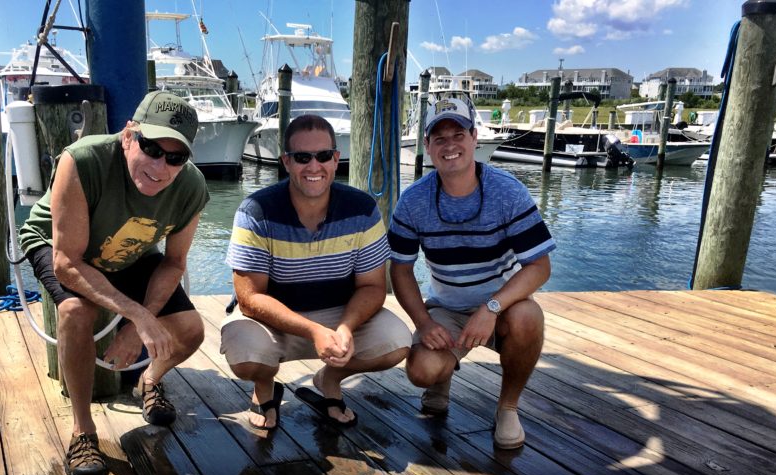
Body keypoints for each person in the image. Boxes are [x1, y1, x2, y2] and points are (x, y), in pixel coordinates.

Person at [18, 91, 209, 475]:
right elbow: (67, 264)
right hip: (64, 247)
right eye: (151, 148)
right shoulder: (82, 160)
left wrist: (134, 326)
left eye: (175, 157)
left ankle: (149, 381)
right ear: (128, 136)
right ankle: (83, 430)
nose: (160, 166)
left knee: (191, 331)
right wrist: (137, 316)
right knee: (75, 311)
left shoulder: (191, 188)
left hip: (131, 251)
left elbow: (174, 262)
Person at [221, 114, 411, 430]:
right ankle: (264, 386)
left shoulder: (362, 209)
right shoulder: (255, 211)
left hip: (339, 315)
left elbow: (374, 287)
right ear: (286, 161)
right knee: (245, 354)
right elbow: (249, 298)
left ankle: (329, 379)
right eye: (302, 157)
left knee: (396, 342)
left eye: (323, 155)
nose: (314, 166)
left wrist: (346, 328)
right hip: (274, 319)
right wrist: (313, 331)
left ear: (336, 160)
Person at [389, 97, 554, 449]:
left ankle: (508, 407)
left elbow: (539, 266)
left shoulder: (507, 191)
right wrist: (423, 323)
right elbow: (400, 269)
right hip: (447, 307)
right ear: (427, 147)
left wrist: (491, 308)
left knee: (528, 317)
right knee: (420, 371)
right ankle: (441, 379)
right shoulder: (413, 200)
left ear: (475, 138)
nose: (450, 145)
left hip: (503, 306)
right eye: (440, 138)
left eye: (458, 134)